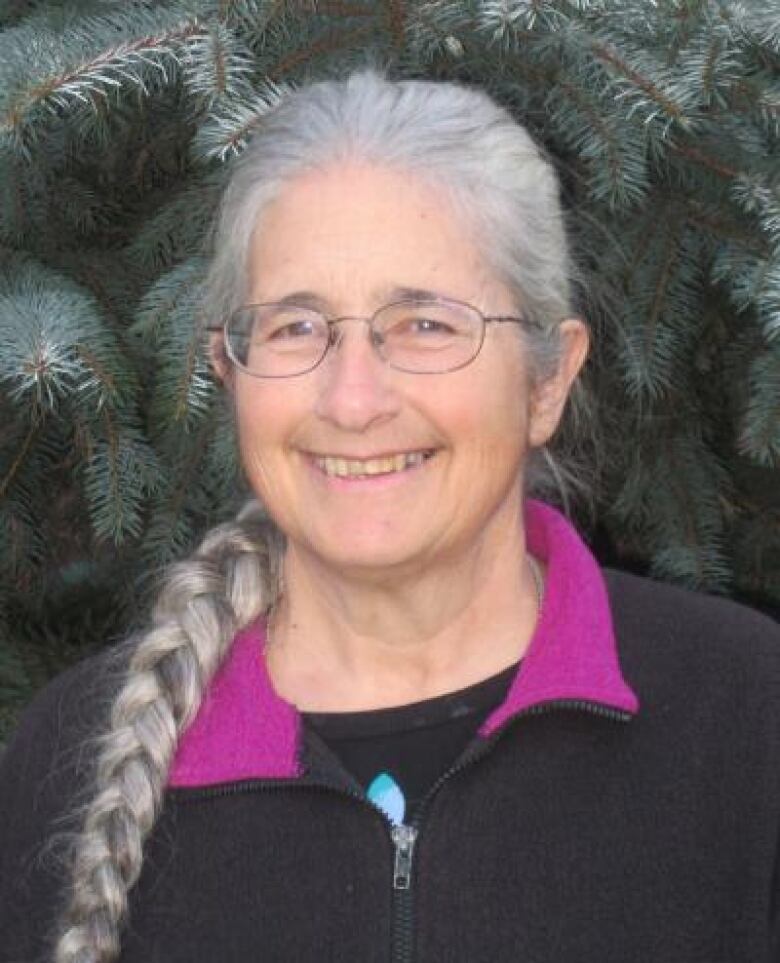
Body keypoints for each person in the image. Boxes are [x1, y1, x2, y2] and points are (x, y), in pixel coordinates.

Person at [1, 68, 779, 963]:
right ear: (229, 371)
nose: (354, 398)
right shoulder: (69, 755)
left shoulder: (748, 716)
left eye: (426, 325)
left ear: (548, 380)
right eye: (296, 328)